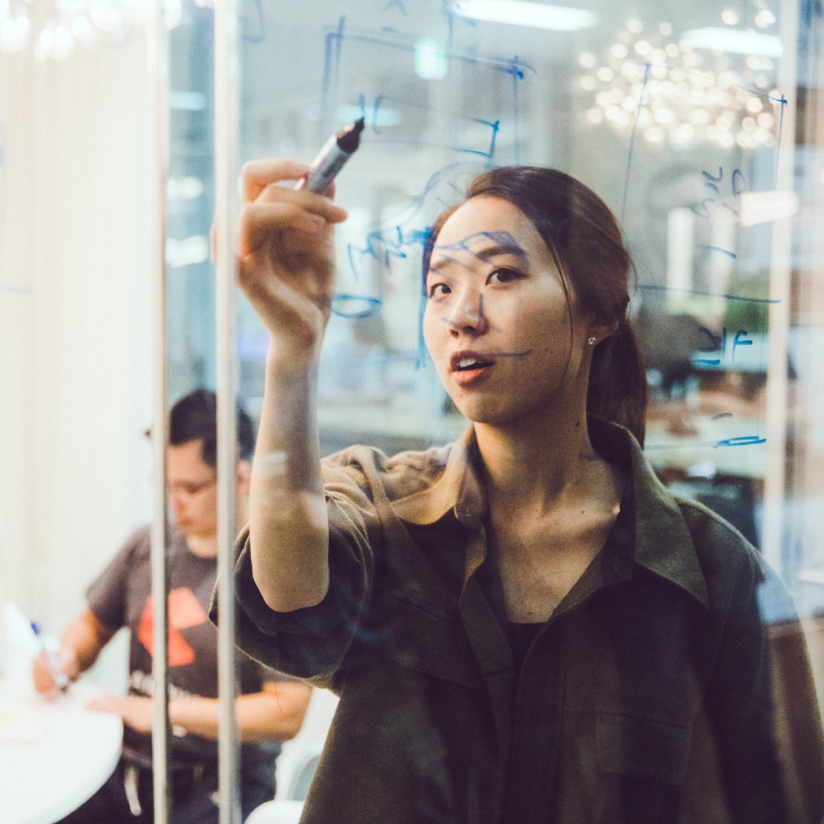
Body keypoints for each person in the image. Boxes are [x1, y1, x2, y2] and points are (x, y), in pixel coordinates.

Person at [218, 160, 824, 823]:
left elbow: (779, 802)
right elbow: (290, 595)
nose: (462, 315)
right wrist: (292, 348)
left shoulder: (712, 574)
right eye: (440, 287)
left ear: (597, 309)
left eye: (501, 275)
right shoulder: (384, 508)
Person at [33, 388, 312, 824]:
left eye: (190, 488)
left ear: (241, 477)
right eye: (167, 485)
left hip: (221, 782)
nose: (174, 501)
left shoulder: (271, 570)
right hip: (128, 767)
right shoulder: (147, 545)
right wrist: (65, 658)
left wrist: (164, 713)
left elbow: (286, 712)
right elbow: (92, 626)